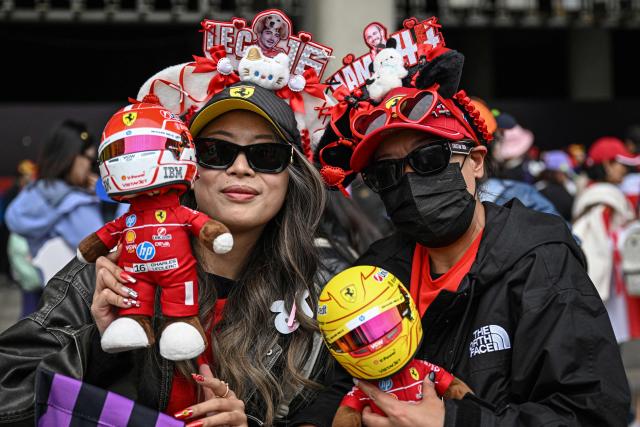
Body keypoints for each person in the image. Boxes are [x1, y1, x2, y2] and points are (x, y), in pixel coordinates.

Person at [315, 36, 629, 425]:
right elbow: (334, 386)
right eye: (386, 173)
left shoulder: (541, 262)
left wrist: (454, 422)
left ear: (476, 161)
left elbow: (595, 414)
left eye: (429, 158)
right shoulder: (374, 272)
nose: (409, 181)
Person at [0, 82, 348, 427]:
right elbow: (8, 398)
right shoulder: (106, 275)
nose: (241, 168)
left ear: (292, 174)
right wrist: (97, 345)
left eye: (266, 155)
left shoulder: (316, 298)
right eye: (216, 151)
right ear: (190, 169)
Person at [4, 121, 104, 315]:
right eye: (89, 159)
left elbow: (12, 217)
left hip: (38, 302)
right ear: (72, 157)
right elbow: (104, 250)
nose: (90, 168)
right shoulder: (78, 204)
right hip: (75, 311)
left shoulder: (34, 192)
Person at [573, 136, 639, 342]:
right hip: (607, 286)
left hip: (612, 283)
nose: (624, 170)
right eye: (621, 164)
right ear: (607, 164)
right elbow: (597, 249)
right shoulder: (602, 200)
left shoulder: (599, 195)